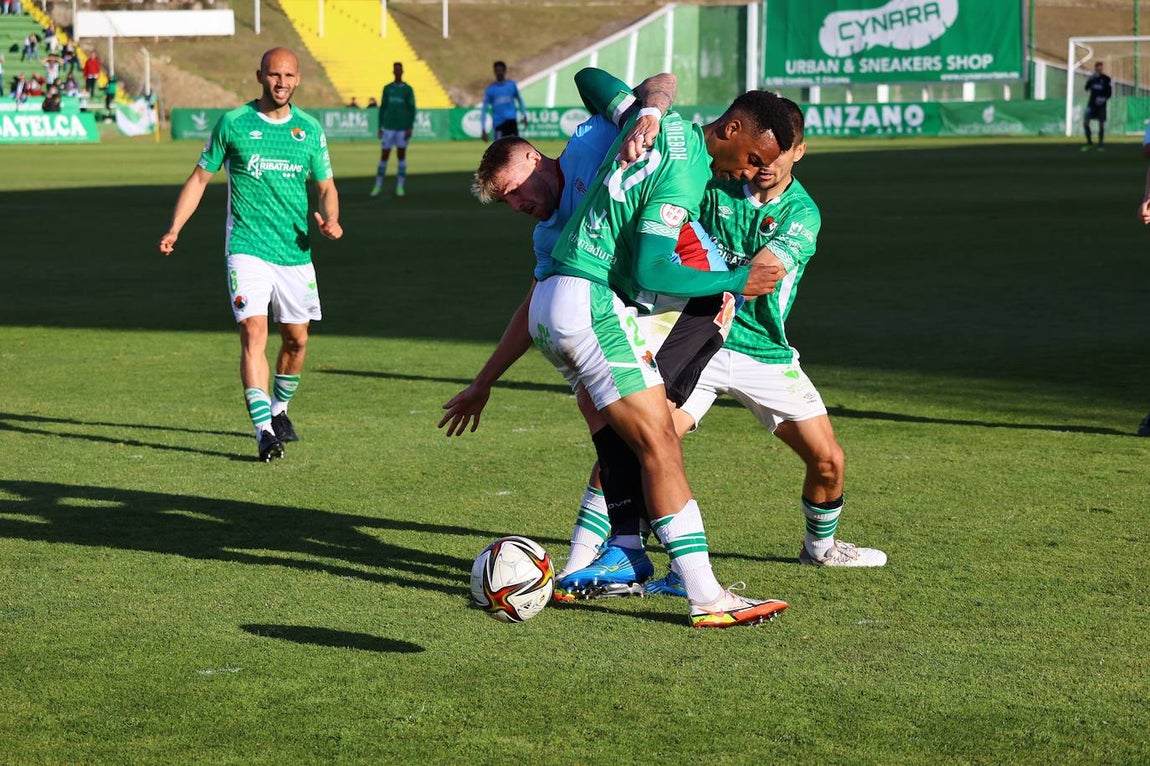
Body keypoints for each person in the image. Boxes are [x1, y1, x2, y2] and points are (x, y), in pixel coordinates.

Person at [444, 70, 746, 591]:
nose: (517, 206)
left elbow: (621, 79)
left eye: (515, 191)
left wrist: (647, 113)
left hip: (695, 300)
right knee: (619, 422)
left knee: (649, 434)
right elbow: (533, 303)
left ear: (535, 159)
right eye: (506, 203)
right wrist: (484, 380)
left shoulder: (595, 139)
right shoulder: (549, 235)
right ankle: (607, 562)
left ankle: (646, 563)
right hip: (638, 309)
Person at [528, 74, 794, 628]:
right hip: (589, 300)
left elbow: (591, 79)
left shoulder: (660, 129)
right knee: (661, 443)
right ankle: (705, 596)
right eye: (749, 158)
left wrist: (647, 107)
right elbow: (652, 267)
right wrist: (737, 278)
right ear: (733, 127)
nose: (746, 173)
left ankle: (623, 548)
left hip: (554, 302)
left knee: (628, 439)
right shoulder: (687, 168)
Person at [637, 100, 886, 599]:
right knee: (647, 444)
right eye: (760, 154)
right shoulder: (714, 181)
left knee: (828, 461)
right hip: (699, 338)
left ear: (799, 152)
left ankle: (821, 546)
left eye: (781, 153)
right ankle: (634, 555)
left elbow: (764, 276)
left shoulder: (801, 213)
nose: (765, 164)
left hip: (761, 350)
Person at [158, 47, 343, 462]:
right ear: (259, 75)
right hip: (246, 248)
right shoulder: (234, 124)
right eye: (274, 75)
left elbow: (327, 186)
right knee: (253, 333)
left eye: (289, 76)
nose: (281, 82)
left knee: (296, 341)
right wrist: (175, 228)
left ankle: (279, 412)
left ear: (298, 80)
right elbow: (199, 178)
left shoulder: (309, 130)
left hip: (294, 251)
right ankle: (263, 431)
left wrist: (331, 220)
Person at [370, 61, 415, 198]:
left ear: (402, 71)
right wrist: (380, 127)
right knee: (384, 156)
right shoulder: (387, 89)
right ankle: (378, 185)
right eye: (395, 70)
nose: (397, 72)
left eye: (399, 70)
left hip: (402, 128)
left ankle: (400, 186)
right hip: (388, 127)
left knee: (401, 155)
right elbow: (382, 108)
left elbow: (412, 109)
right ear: (393, 72)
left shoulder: (408, 90)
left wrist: (409, 127)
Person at [481, 60, 526, 142]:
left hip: (511, 122)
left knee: (514, 148)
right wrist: (483, 129)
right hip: (499, 124)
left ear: (505, 71)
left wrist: (524, 115)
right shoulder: (490, 89)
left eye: (501, 70)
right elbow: (484, 109)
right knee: (498, 149)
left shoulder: (512, 85)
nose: (499, 73)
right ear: (494, 72)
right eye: (497, 71)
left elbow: (520, 100)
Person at [1083, 61, 1112, 151]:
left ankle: (1100, 144)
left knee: (1101, 124)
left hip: (1101, 106)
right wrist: (1090, 80)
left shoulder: (1106, 79)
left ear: (1102, 69)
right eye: (1097, 68)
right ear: (1095, 68)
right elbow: (1086, 88)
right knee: (1086, 122)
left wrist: (1103, 99)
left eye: (1100, 68)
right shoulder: (1092, 79)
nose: (1099, 69)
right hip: (1091, 104)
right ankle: (1089, 143)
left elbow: (1109, 92)